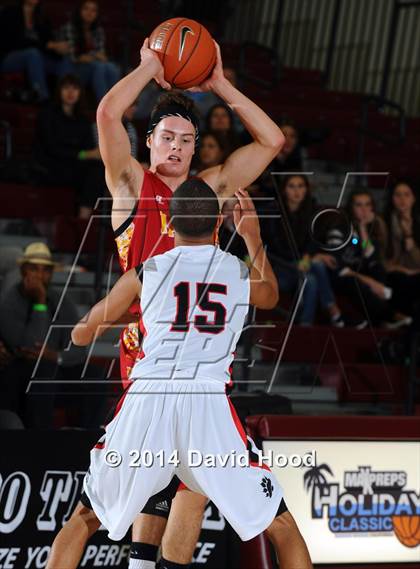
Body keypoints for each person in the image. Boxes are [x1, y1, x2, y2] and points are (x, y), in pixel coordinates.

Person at [47, 37, 286, 569]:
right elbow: (109, 111)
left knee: (190, 490)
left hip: (200, 358)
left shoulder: (211, 188)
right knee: (163, 489)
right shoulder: (132, 182)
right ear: (149, 141)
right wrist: (149, 67)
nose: (176, 146)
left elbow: (271, 140)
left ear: (196, 149)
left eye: (186, 139)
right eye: (167, 136)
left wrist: (220, 83)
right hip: (147, 361)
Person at [71, 182, 313, 569]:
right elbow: (271, 295)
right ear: (219, 222)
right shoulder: (235, 270)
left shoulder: (146, 272)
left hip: (149, 398)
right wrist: (252, 237)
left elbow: (81, 334)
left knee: (84, 519)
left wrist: (141, 316)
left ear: (170, 223)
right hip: (206, 402)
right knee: (281, 526)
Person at [0, 242, 86, 428]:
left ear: (51, 273)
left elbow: (79, 349)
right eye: (34, 269)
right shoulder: (9, 301)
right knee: (41, 373)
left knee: (96, 377)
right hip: (18, 371)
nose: (39, 275)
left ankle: (92, 438)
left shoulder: (63, 302)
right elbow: (33, 344)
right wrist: (40, 302)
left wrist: (55, 355)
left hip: (54, 369)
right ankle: (37, 440)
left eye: (45, 270)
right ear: (23, 270)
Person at [264, 174, 343, 326]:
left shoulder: (312, 211)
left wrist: (308, 257)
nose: (297, 191)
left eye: (301, 186)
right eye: (291, 186)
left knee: (311, 280)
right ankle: (331, 307)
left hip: (301, 268)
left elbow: (313, 241)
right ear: (284, 190)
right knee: (317, 267)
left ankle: (306, 324)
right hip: (279, 268)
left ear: (306, 189)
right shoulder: (273, 211)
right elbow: (275, 247)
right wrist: (306, 259)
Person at [328, 190, 411, 329]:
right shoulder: (338, 231)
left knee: (381, 269)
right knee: (355, 281)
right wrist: (371, 282)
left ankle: (393, 317)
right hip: (340, 276)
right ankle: (389, 316)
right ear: (351, 208)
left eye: (368, 205)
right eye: (359, 205)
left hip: (359, 272)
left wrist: (362, 228)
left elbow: (369, 255)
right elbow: (340, 268)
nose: (364, 210)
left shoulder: (365, 231)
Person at [33, 74, 105, 218]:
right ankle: (82, 219)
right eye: (66, 88)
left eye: (75, 89)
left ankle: (83, 218)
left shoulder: (83, 119)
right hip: (50, 165)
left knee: (99, 170)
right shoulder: (47, 114)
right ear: (59, 91)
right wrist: (85, 154)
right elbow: (51, 148)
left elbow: (89, 147)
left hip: (73, 165)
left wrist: (92, 154)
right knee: (93, 173)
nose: (71, 93)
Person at [0, 0, 72, 101]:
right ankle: (43, 97)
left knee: (63, 61)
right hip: (8, 57)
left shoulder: (41, 16)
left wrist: (57, 48)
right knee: (33, 54)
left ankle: (63, 101)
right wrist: (48, 45)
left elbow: (48, 41)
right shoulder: (10, 12)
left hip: (38, 57)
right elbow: (13, 42)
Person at [59, 0, 119, 102]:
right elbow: (75, 57)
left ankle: (116, 103)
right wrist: (94, 55)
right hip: (74, 69)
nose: (89, 13)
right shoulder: (70, 28)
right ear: (79, 10)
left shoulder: (98, 30)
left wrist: (90, 56)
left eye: (93, 10)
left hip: (92, 66)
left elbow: (102, 56)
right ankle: (104, 105)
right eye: (86, 8)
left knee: (112, 67)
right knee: (99, 66)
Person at [384, 180, 420, 318]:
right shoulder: (383, 223)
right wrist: (404, 270)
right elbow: (379, 258)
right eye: (397, 195)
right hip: (394, 274)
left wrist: (409, 235)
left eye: (406, 195)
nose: (402, 199)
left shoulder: (418, 223)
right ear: (392, 198)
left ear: (414, 198)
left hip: (415, 273)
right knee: (401, 279)